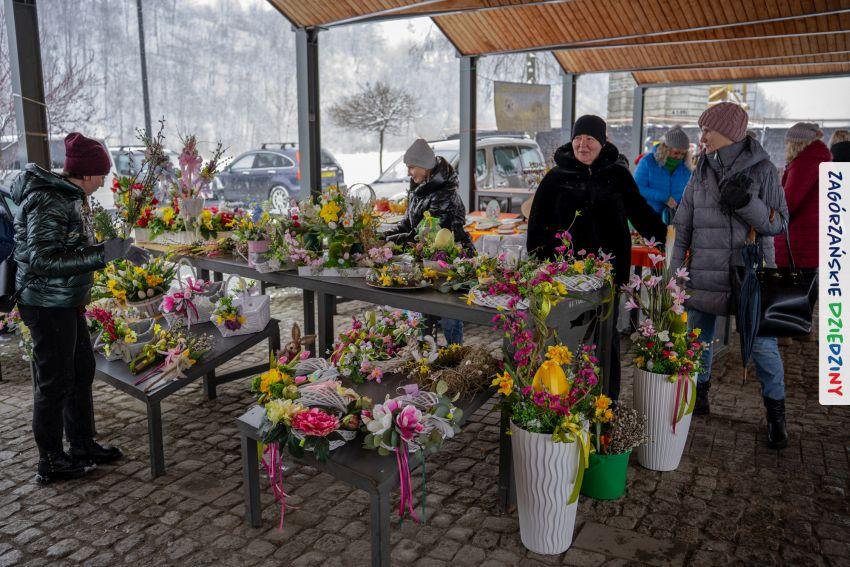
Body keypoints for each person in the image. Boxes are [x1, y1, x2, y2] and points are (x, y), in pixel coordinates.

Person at [13, 133, 149, 483]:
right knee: (55, 382)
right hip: (46, 304)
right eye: (101, 174)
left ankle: (82, 444)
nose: (103, 181)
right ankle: (50, 461)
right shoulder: (49, 200)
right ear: (86, 173)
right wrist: (103, 254)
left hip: (67, 300)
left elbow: (73, 246)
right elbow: (44, 260)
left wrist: (115, 249)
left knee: (81, 371)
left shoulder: (72, 197)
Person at [670, 102, 790, 449]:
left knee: (763, 346)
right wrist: (674, 275)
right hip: (704, 273)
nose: (702, 136)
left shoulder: (764, 169)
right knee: (698, 340)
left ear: (729, 132)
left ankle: (777, 414)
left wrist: (747, 204)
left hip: (750, 275)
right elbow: (683, 224)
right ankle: (699, 396)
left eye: (707, 129)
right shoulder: (702, 169)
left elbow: (779, 223)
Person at [527, 115, 667, 401]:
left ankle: (606, 396)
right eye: (578, 138)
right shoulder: (556, 177)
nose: (583, 144)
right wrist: (539, 261)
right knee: (566, 332)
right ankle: (564, 394)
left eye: (590, 139)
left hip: (608, 273)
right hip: (565, 275)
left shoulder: (618, 175)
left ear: (602, 142)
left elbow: (639, 211)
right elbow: (537, 223)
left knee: (605, 333)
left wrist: (667, 237)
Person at [384, 138, 473, 345]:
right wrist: (384, 237)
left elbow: (428, 234)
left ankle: (455, 354)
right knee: (423, 310)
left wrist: (390, 243)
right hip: (427, 260)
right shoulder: (419, 188)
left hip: (449, 262)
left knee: (449, 314)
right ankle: (426, 354)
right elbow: (408, 224)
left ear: (425, 166)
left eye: (411, 167)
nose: (409, 173)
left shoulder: (445, 193)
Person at [775, 122, 831, 269]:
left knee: (794, 282)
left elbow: (788, 204)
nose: (786, 147)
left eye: (788, 143)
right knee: (807, 280)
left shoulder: (804, 163)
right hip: (810, 237)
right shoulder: (817, 160)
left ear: (795, 144)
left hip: (799, 240)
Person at [633, 125, 693, 224]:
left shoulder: (686, 168)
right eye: (676, 152)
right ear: (665, 148)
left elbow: (689, 193)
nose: (679, 157)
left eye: (683, 154)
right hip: (648, 217)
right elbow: (636, 187)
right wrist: (664, 197)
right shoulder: (648, 162)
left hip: (675, 219)